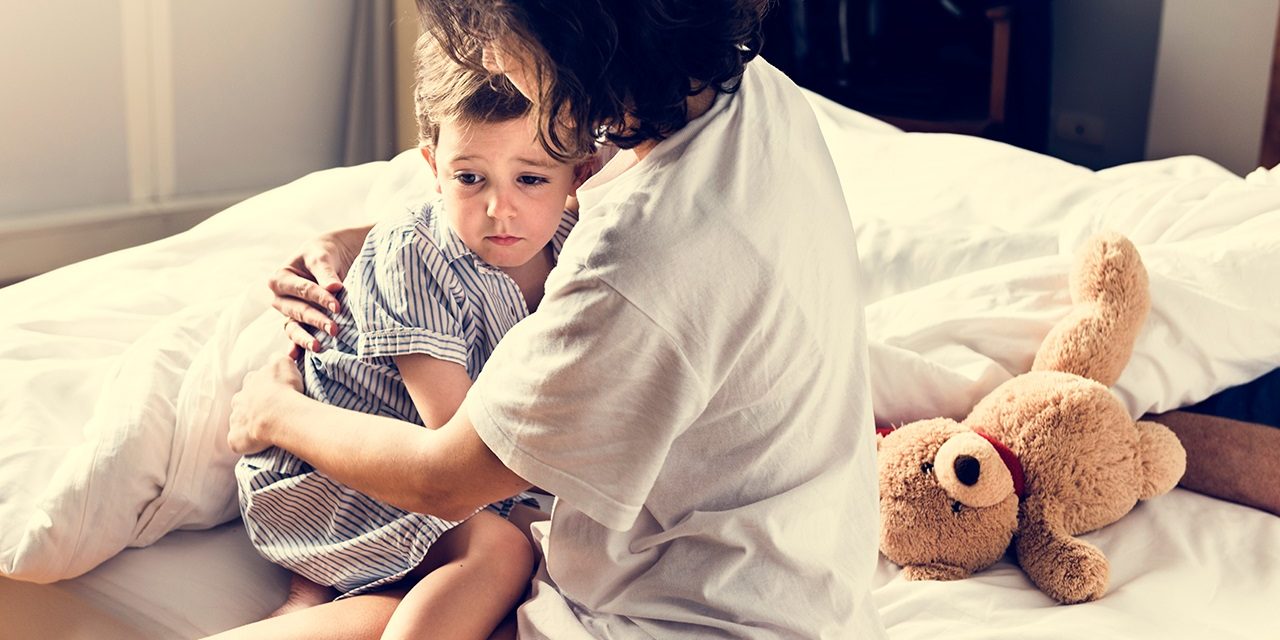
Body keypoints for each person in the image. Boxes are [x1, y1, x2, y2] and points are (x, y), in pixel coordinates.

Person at [227, 1, 887, 638]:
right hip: (807, 593)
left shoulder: (640, 264)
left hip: (676, 620)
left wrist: (272, 412)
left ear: (575, 37)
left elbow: (444, 479)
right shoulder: (756, 95)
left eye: (500, 30)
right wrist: (359, 243)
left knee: (453, 586)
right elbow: (564, 213)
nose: (487, 54)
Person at [218, 34, 590, 640]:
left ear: (579, 174)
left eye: (531, 179)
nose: (501, 208)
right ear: (432, 168)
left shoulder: (577, 245)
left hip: (427, 478)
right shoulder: (417, 252)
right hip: (335, 474)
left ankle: (320, 604)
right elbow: (456, 440)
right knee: (504, 550)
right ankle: (318, 588)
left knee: (528, 551)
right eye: (470, 177)